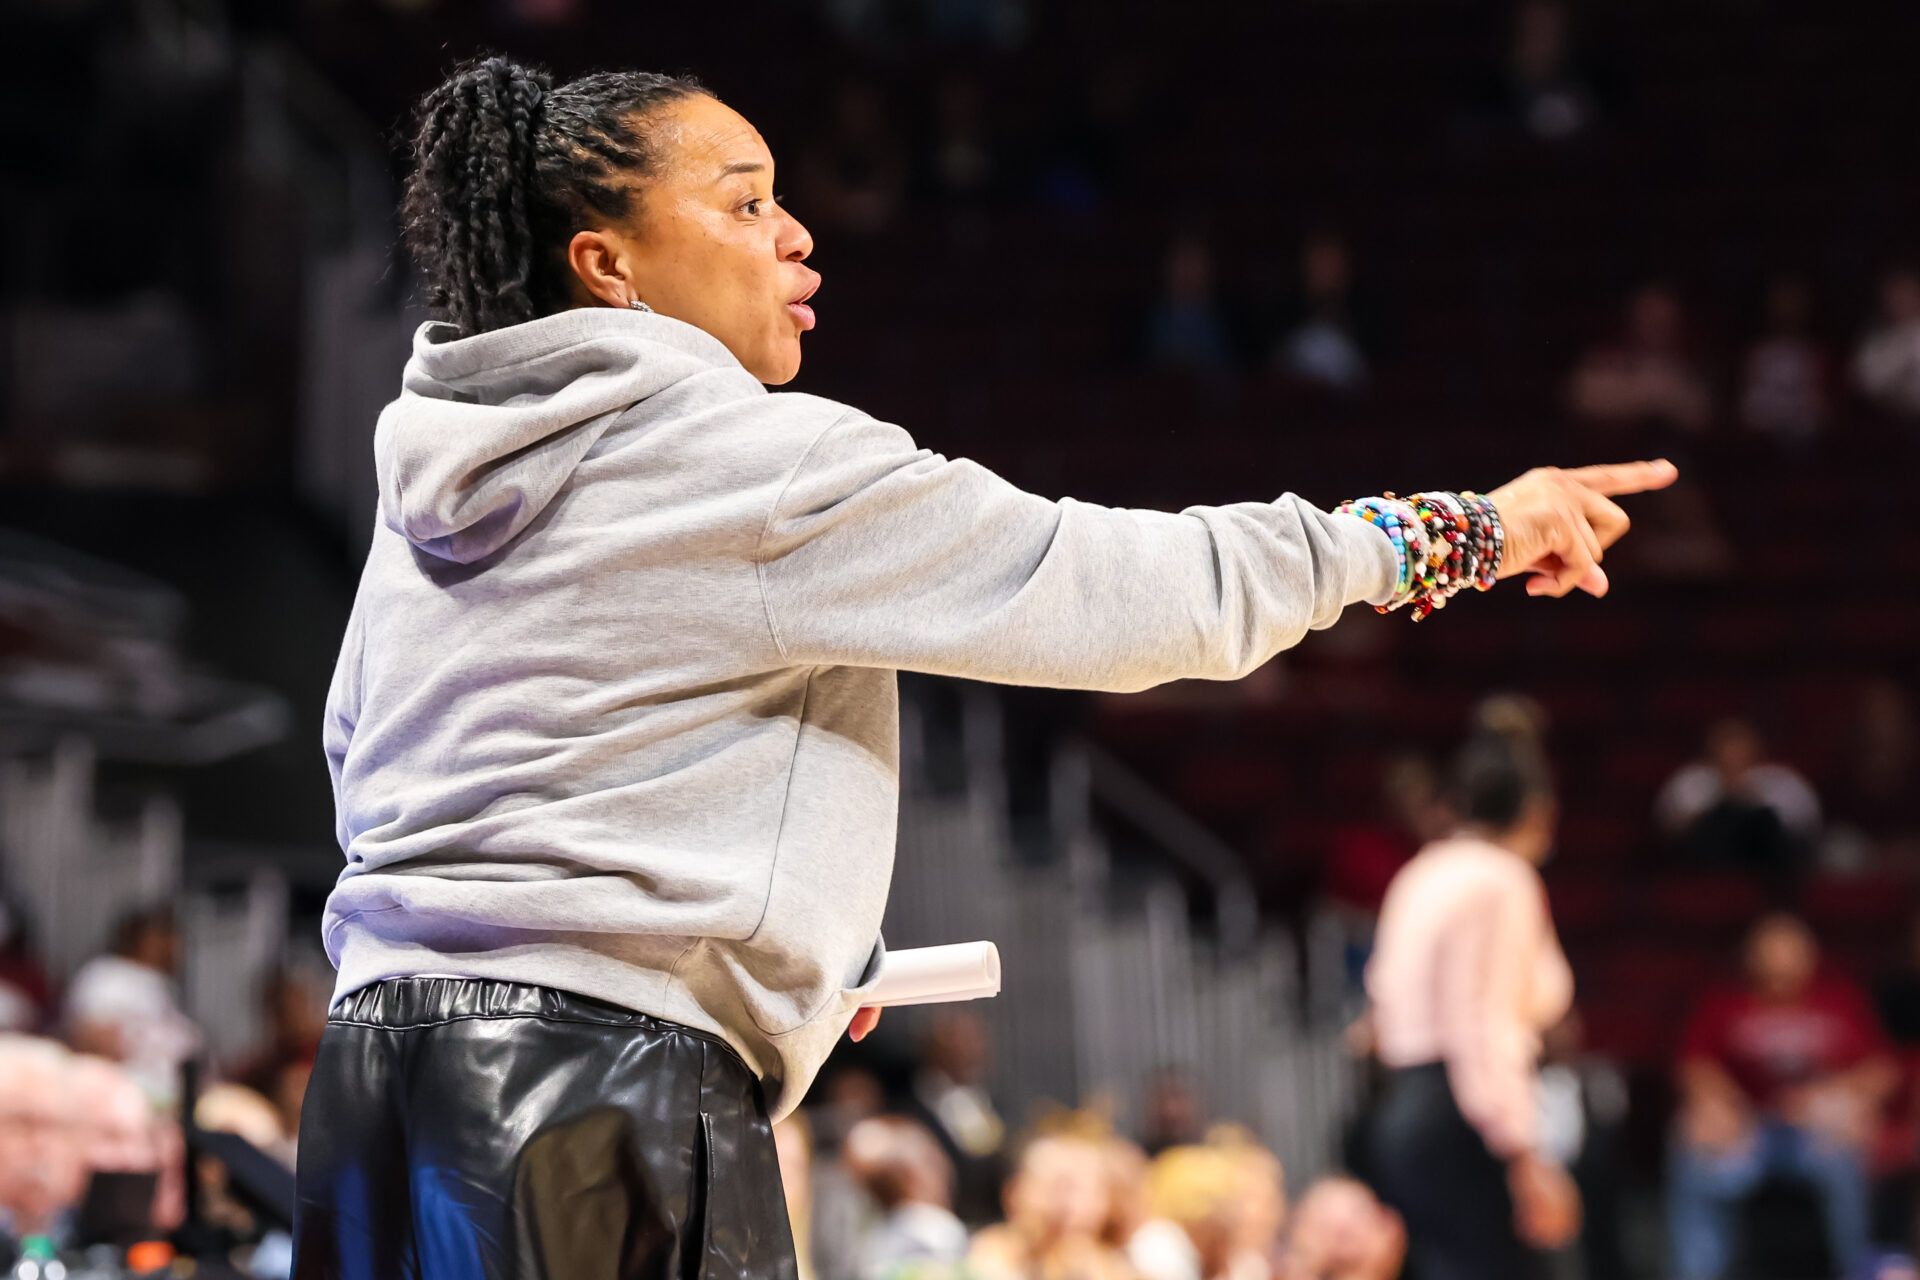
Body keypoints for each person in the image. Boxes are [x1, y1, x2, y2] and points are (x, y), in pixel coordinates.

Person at [298, 53, 1676, 1280]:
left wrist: (789, 941)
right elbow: (1147, 600)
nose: (796, 234)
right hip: (592, 1097)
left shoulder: (431, 486)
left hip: (370, 1090)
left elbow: (380, 765)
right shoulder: (757, 466)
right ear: (611, 267)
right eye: (743, 202)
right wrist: (1464, 531)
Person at [1364, 723, 1579, 1280]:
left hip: (1402, 1108)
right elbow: (1480, 1023)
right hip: (1461, 1112)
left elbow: (1379, 1002)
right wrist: (1523, 1151)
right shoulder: (1501, 879)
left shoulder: (1421, 871)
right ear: (1536, 811)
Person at [1669, 914, 1897, 1280]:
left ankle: (1858, 1268)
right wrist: (1724, 1105)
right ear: (1750, 957)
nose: (1780, 966)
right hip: (1749, 1133)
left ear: (1810, 956)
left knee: (1851, 1153)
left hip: (1818, 1134)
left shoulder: (1839, 998)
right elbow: (1695, 1067)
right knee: (1693, 1145)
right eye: (1769, 953)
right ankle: (1696, 1273)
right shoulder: (1726, 1000)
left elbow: (1882, 1070)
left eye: (1789, 954)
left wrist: (1831, 1096)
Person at [1655, 718, 1822, 876]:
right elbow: (1672, 829)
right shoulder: (1690, 780)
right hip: (1707, 860)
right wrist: (1724, 798)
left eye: (1739, 744)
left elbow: (1803, 829)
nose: (1733, 752)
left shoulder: (1783, 780)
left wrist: (1749, 798)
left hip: (1769, 861)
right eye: (1727, 743)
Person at [840, 1116, 969, 1280]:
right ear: (912, 1176)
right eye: (931, 1161)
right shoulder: (936, 1231)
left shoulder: (872, 1240)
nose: (945, 1168)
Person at [1854, 266, 1920, 419]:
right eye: (1894, 293)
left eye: (1906, 292)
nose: (1900, 299)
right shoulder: (1875, 341)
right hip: (1888, 422)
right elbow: (1869, 384)